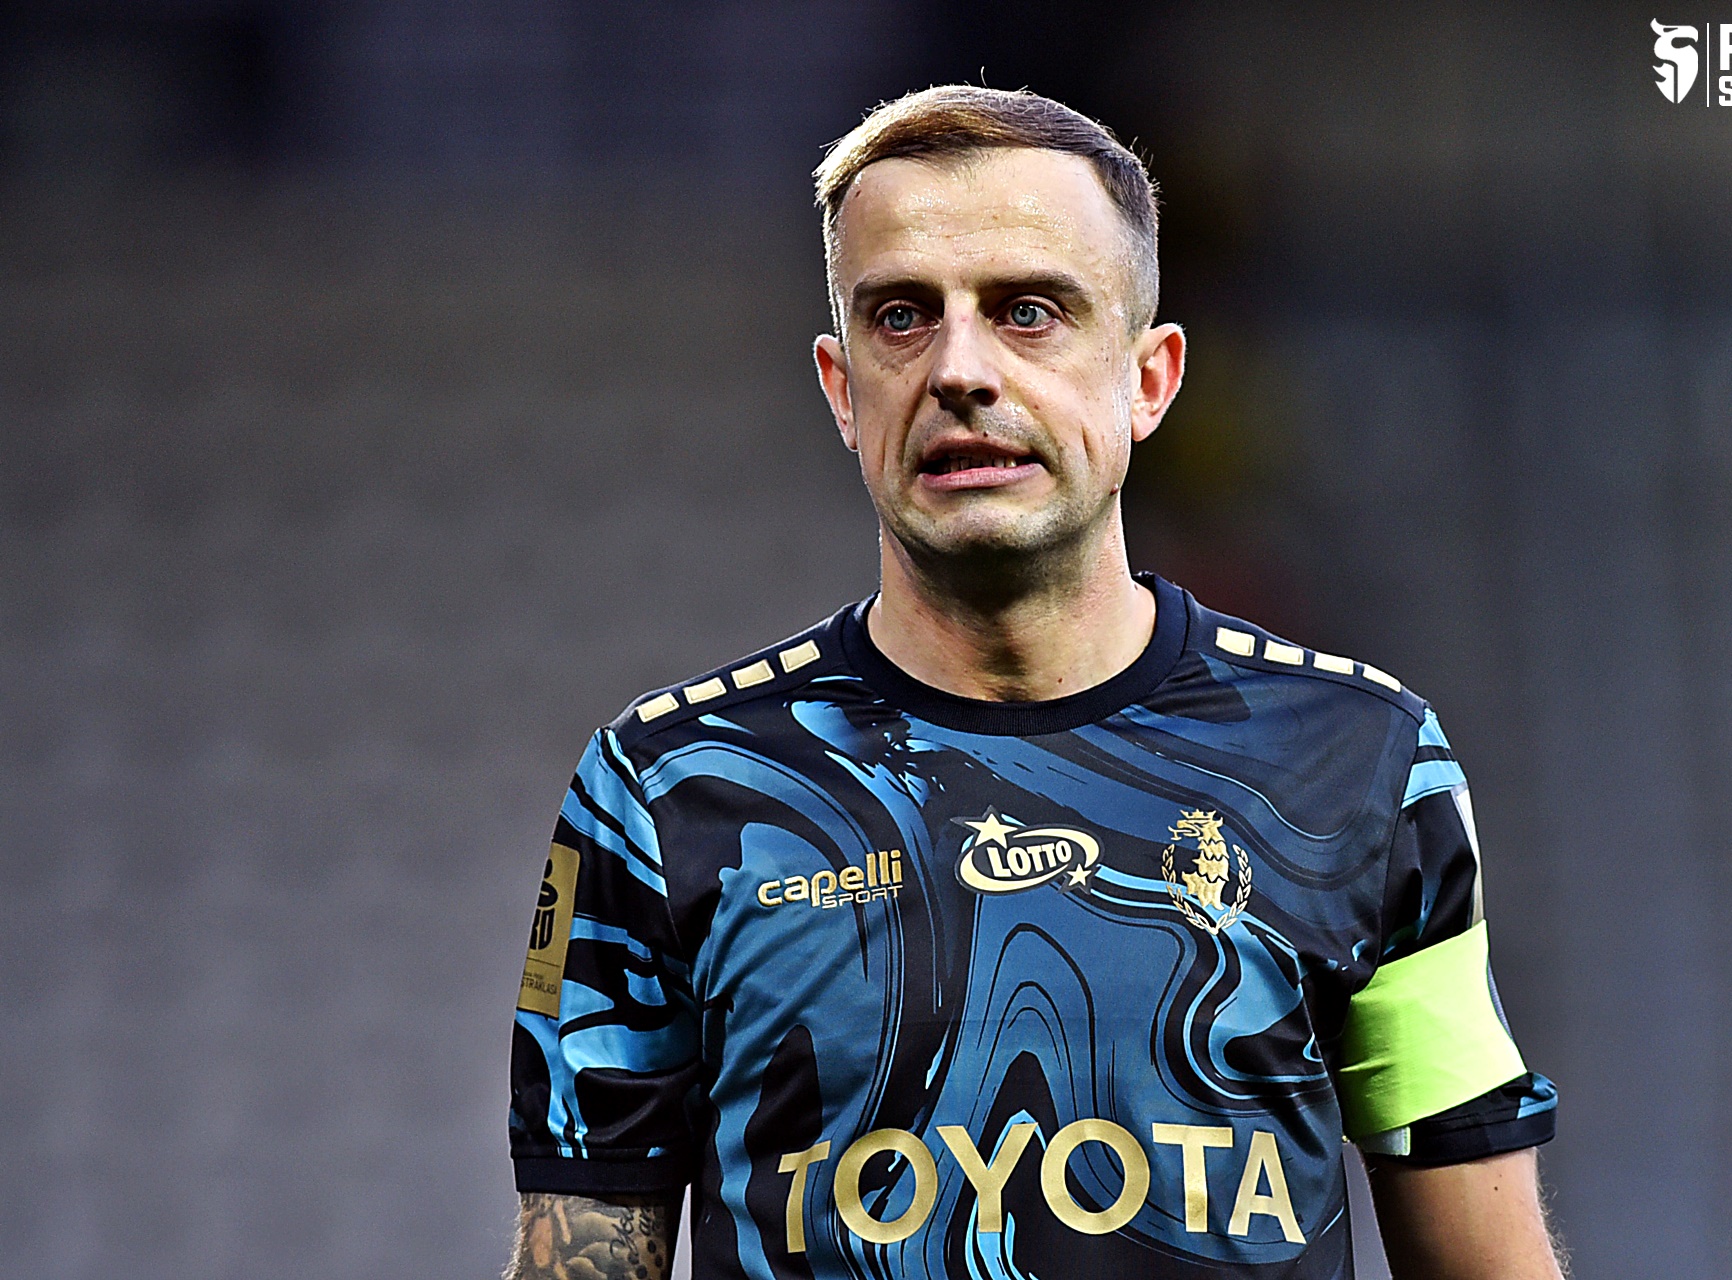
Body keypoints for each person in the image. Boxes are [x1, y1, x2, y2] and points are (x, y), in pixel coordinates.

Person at [505, 85, 1563, 1280]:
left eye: (1029, 311)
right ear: (842, 388)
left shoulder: (1365, 763)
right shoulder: (665, 791)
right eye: (901, 315)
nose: (960, 368)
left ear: (1150, 378)